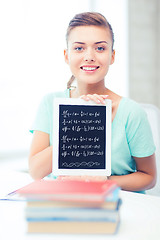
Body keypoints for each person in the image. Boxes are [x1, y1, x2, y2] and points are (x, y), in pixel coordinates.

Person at [28, 12, 156, 193]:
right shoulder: (50, 103)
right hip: (65, 202)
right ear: (67, 55)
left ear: (112, 56)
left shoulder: (131, 112)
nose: (89, 56)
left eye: (100, 48)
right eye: (79, 48)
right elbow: (36, 172)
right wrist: (77, 120)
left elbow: (149, 177)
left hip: (118, 204)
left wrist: (104, 181)